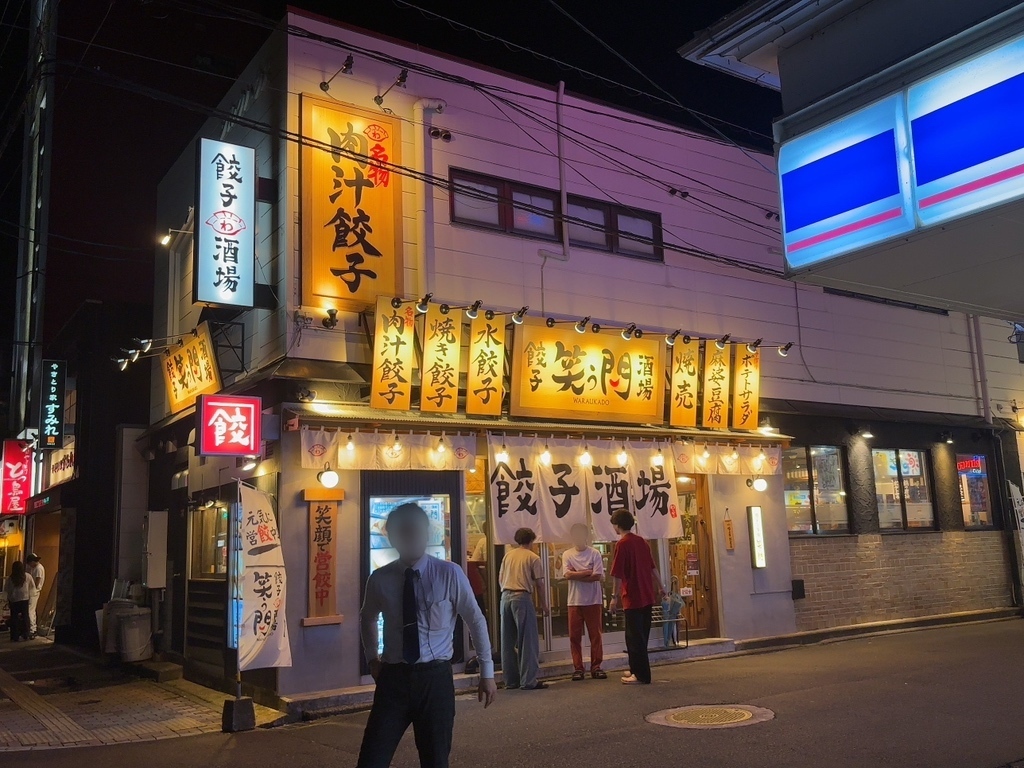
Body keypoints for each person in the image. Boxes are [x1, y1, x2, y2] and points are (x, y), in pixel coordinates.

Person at [357, 503, 497, 768]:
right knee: (372, 759)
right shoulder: (380, 578)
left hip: (435, 680)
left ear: (426, 533)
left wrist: (487, 673)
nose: (411, 537)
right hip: (393, 680)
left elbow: (475, 620)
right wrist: (372, 658)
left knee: (435, 760)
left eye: (416, 531)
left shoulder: (449, 573)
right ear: (392, 535)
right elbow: (367, 617)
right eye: (404, 531)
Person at [609, 511, 665, 685]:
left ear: (617, 525)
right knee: (642, 635)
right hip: (647, 595)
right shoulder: (642, 542)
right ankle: (636, 669)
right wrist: (662, 587)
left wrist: (614, 597)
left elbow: (617, 574)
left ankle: (641, 675)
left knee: (634, 637)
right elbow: (652, 567)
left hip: (632, 596)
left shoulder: (622, 544)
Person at [498, 527, 549, 690]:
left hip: (505, 597)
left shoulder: (508, 555)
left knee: (507, 640)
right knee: (527, 640)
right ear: (532, 541)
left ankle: (510, 680)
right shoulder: (533, 557)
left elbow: (500, 578)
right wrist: (544, 605)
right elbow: (540, 584)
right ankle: (528, 680)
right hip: (522, 597)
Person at [562, 523, 607, 681]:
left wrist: (578, 574)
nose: (578, 538)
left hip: (593, 600)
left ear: (586, 536)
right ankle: (578, 668)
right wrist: (588, 572)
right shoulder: (567, 554)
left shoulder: (594, 553)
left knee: (596, 635)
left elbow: (598, 576)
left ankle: (596, 666)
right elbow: (567, 575)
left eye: (581, 535)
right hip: (574, 601)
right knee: (574, 636)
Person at [4, 561, 35, 642]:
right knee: (25, 616)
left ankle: (15, 636)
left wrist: (9, 598)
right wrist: (31, 597)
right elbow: (32, 587)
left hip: (14, 600)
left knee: (14, 618)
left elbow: (7, 589)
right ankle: (26, 634)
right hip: (24, 599)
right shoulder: (27, 576)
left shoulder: (10, 578)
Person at [26, 553, 44, 638]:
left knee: (30, 610)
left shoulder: (38, 569)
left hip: (34, 592)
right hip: (33, 591)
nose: (29, 565)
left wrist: (33, 588)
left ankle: (32, 629)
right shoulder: (36, 568)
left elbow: (37, 581)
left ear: (33, 561)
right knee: (31, 610)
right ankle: (32, 628)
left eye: (30, 563)